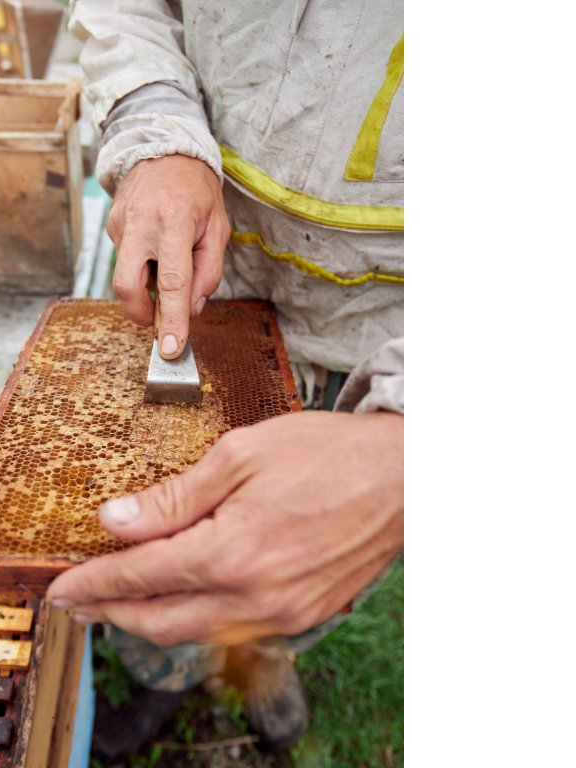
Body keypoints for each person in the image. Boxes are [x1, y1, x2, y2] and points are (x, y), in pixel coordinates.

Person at [45, 0, 404, 755]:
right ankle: (164, 671)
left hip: (379, 340)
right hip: (209, 280)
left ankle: (266, 654)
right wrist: (158, 131)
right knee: (156, 530)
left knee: (303, 559)